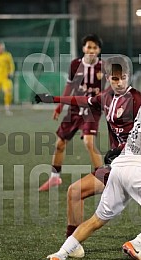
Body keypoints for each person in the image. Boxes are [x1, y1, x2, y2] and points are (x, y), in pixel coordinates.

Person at [36, 57, 141, 258]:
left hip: (122, 164)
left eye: (123, 78)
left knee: (99, 218)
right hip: (136, 165)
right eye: (115, 78)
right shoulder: (109, 98)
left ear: (129, 77)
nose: (119, 82)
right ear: (108, 79)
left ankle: (61, 253)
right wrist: (54, 99)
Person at [38, 34, 105, 192]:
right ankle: (54, 178)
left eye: (94, 47)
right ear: (83, 48)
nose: (91, 50)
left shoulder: (104, 67)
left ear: (99, 50)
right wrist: (60, 106)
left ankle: (104, 179)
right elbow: (69, 87)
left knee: (88, 142)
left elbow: (109, 90)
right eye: (88, 47)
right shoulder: (75, 64)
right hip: (74, 109)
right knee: (60, 143)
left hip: (92, 110)